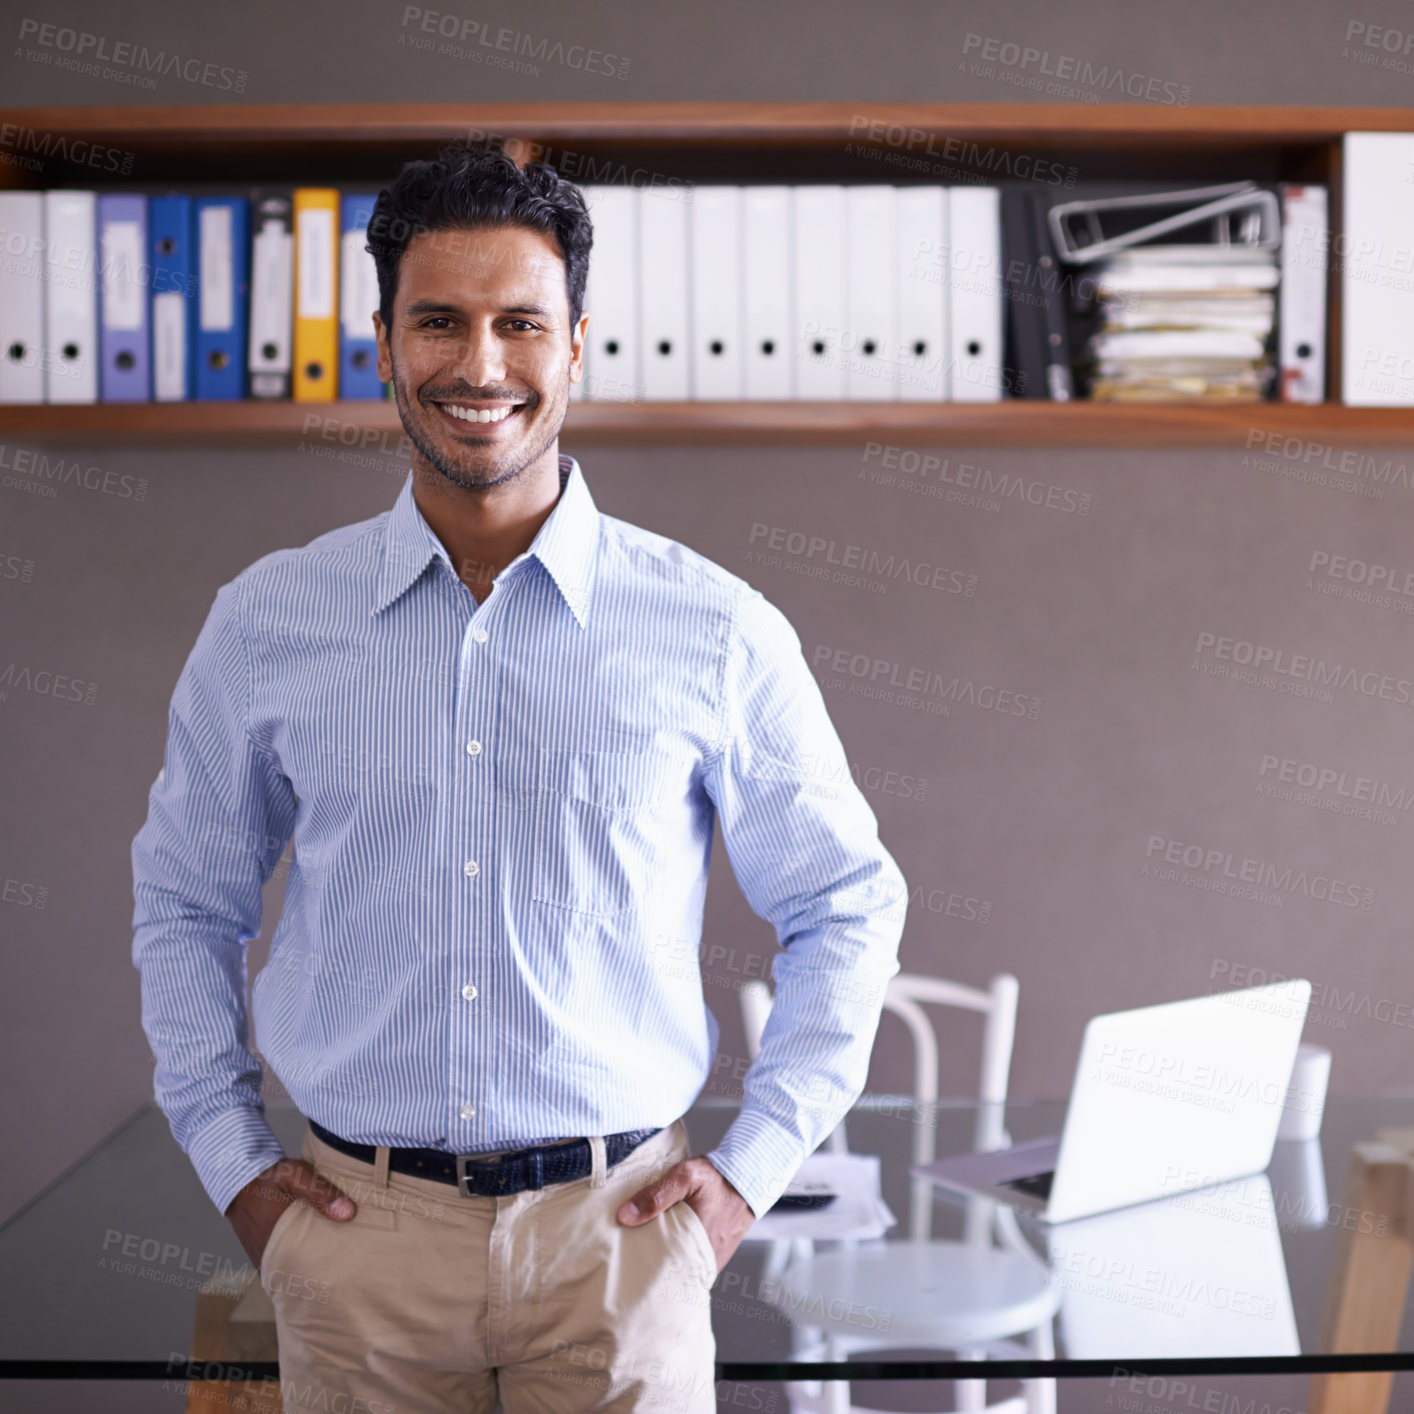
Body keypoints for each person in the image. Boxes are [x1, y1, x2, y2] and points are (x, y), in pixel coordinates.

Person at [131, 141, 907, 1414]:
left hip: (620, 1244)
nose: (480, 366)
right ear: (382, 340)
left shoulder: (711, 627)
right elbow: (183, 905)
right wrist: (237, 1170)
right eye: (439, 321)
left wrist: (746, 1176)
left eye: (519, 324)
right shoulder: (268, 622)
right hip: (356, 1247)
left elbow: (846, 902)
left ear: (578, 341)